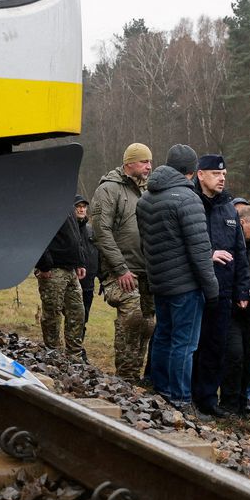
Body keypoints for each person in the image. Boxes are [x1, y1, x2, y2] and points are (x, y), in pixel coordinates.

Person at [137, 144, 218, 411]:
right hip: (185, 284)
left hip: (159, 281)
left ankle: (159, 388)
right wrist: (212, 288)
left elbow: (145, 244)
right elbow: (199, 249)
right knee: (184, 342)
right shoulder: (187, 199)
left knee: (163, 336)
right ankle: (180, 398)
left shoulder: (146, 199)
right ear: (192, 171)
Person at [189, 154, 250, 418]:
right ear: (200, 174)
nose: (222, 178)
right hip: (194, 287)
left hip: (223, 290)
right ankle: (186, 395)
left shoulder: (228, 207)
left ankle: (207, 399)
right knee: (194, 345)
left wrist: (242, 288)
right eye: (216, 173)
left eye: (224, 174)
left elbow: (239, 250)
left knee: (216, 347)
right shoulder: (191, 202)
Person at [91, 143, 156, 380]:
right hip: (121, 270)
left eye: (150, 162)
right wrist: (120, 269)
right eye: (143, 162)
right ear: (129, 163)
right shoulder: (109, 189)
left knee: (148, 324)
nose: (149, 166)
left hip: (147, 270)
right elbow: (101, 231)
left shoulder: (149, 190)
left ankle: (136, 376)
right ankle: (126, 378)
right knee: (131, 319)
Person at [223, 205, 250, 417]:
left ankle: (243, 401)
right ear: (242, 223)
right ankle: (228, 403)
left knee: (247, 357)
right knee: (234, 356)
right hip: (233, 313)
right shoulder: (230, 246)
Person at [34, 198, 87, 360]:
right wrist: (44, 265)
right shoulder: (45, 203)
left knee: (77, 312)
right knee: (52, 313)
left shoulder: (67, 205)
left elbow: (75, 237)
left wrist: (79, 262)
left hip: (70, 269)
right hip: (53, 269)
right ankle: (53, 354)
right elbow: (38, 234)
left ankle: (74, 355)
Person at [76, 195, 100, 345]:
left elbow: (98, 253)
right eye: (78, 206)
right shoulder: (65, 228)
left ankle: (78, 347)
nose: (81, 209)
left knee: (83, 316)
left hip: (88, 282)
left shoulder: (91, 231)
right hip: (70, 279)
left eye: (84, 206)